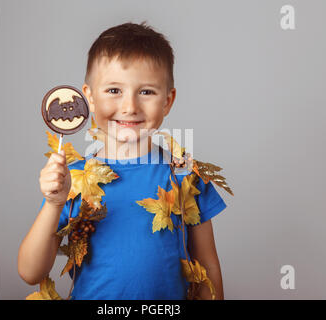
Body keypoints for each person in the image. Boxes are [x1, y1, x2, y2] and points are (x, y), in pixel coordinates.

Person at [18, 22, 228, 300]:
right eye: (114, 90)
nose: (129, 106)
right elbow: (30, 271)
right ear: (89, 97)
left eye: (146, 92)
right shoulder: (72, 180)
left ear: (168, 100)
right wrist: (55, 203)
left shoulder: (186, 176)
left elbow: (208, 265)